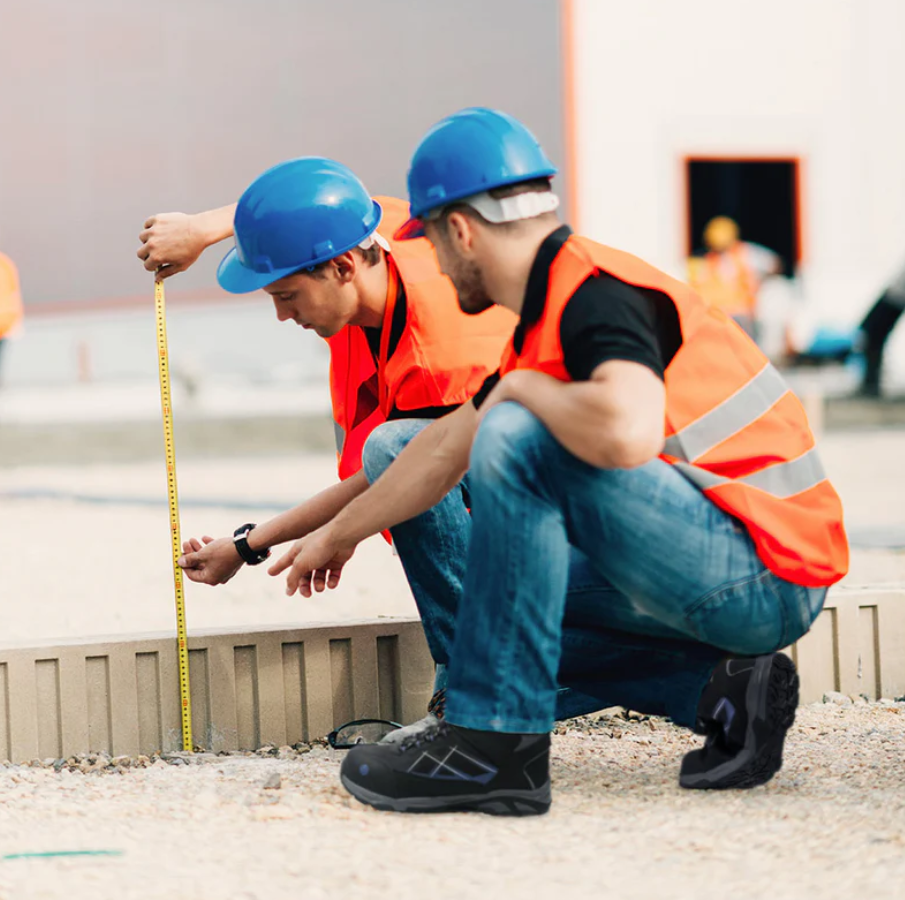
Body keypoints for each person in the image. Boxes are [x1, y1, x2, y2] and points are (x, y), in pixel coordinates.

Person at [271, 108, 849, 816]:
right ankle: (716, 688)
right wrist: (335, 535)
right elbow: (441, 451)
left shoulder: (594, 295)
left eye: (434, 246)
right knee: (480, 598)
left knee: (516, 431)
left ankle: (495, 748)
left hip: (761, 573)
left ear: (459, 231)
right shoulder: (546, 315)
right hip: (720, 559)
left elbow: (628, 429)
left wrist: (521, 393)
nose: (435, 269)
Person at [137, 158, 515, 735]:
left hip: (551, 505)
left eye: (287, 295)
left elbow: (396, 477)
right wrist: (203, 231)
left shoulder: (440, 353)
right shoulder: (383, 238)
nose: (282, 315)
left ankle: (480, 691)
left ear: (341, 268)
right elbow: (311, 196)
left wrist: (253, 544)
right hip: (497, 471)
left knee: (393, 450)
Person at [687, 216, 781, 340]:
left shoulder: (746, 253)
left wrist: (759, 284)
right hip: (717, 314)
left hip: (740, 315)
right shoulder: (705, 260)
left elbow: (775, 265)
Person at [855, 258, 905, 397]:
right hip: (893, 296)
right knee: (869, 336)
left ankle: (871, 385)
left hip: (895, 298)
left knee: (870, 336)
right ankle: (871, 384)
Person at [0, 251, 24, 387]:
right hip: (5, 323)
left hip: (4, 324)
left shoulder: (5, 265)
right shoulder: (6, 264)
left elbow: (13, 293)